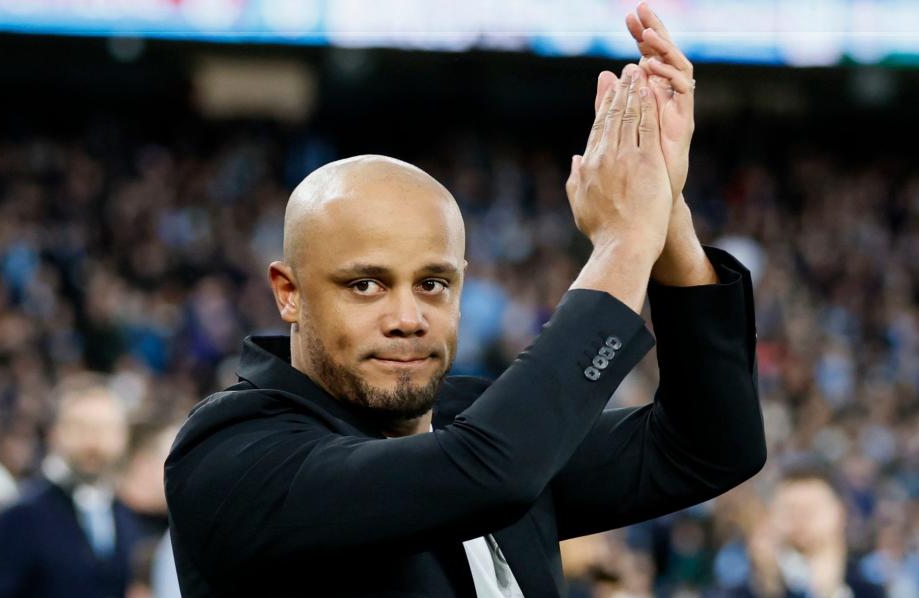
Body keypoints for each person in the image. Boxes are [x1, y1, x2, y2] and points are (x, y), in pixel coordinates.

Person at [165, 4, 766, 596]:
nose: (407, 319)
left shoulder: (471, 421)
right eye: (365, 285)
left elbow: (709, 448)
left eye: (432, 284)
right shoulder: (233, 454)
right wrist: (624, 243)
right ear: (288, 293)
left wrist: (665, 214)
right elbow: (489, 472)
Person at [0, 374, 145, 598]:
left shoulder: (128, 520)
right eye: (80, 427)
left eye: (106, 428)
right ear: (54, 433)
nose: (94, 441)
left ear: (123, 437)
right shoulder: (19, 517)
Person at [719, 459, 886, 598]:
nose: (801, 519)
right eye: (790, 510)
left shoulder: (871, 588)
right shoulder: (738, 591)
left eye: (812, 509)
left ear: (841, 513)